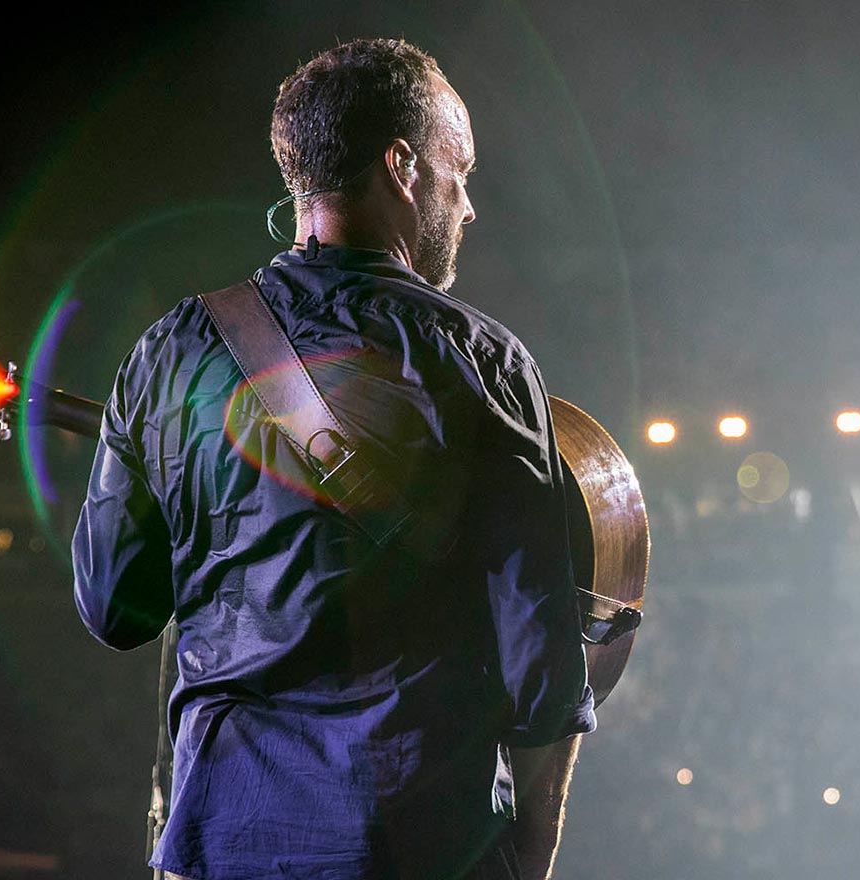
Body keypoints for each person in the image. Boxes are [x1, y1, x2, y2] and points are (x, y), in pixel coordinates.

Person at [73, 39, 593, 880]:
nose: (467, 207)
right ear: (403, 166)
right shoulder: (480, 362)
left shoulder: (168, 352)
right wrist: (526, 859)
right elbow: (543, 673)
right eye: (459, 170)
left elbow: (114, 609)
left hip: (219, 847)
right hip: (415, 846)